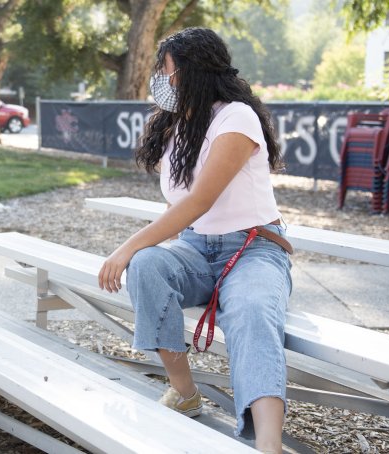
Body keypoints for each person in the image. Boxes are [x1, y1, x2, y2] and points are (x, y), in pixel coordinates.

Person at [97, 28, 292, 453]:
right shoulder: (175, 127)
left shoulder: (236, 117)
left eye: (167, 72)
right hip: (197, 248)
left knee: (254, 311)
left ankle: (269, 446)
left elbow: (201, 200)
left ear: (191, 74)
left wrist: (126, 244)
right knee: (147, 266)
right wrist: (137, 252)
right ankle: (185, 394)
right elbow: (183, 211)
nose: (161, 81)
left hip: (253, 248)